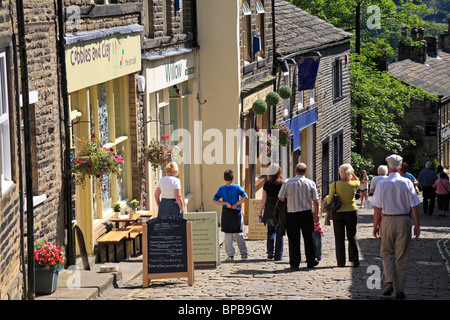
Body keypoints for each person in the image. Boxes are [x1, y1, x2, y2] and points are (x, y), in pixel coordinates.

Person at [372, 154, 421, 300]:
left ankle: (388, 281)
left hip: (387, 220)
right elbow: (414, 206)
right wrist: (417, 225)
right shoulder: (407, 183)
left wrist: (376, 225)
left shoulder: (382, 183)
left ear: (388, 167)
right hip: (404, 219)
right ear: (400, 167)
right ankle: (400, 289)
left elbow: (377, 207)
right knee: (402, 255)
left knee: (386, 253)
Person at [278, 163, 319, 270]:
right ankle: (310, 261)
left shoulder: (287, 182)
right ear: (305, 172)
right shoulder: (310, 183)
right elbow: (316, 200)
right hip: (306, 214)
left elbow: (281, 197)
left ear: (295, 171)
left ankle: (295, 263)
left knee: (293, 239)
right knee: (308, 238)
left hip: (292, 214)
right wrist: (316, 214)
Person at [327, 163, 360, 268]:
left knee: (339, 237)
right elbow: (358, 181)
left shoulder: (335, 185)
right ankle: (355, 260)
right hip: (351, 211)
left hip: (338, 212)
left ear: (340, 173)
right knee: (351, 236)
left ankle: (341, 262)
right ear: (350, 173)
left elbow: (329, 200)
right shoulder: (354, 184)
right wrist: (353, 174)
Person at [213, 169, 248, 261]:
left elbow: (214, 200)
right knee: (239, 233)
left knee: (228, 234)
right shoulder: (237, 188)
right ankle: (244, 254)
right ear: (233, 178)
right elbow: (245, 197)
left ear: (224, 179)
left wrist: (225, 203)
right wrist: (237, 203)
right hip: (236, 212)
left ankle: (230, 255)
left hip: (226, 212)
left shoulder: (221, 189)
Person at [258, 164, 284, 261]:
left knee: (270, 231)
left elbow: (263, 199)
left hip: (269, 210)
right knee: (279, 232)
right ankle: (278, 255)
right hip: (279, 210)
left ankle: (270, 252)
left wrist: (260, 211)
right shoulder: (282, 184)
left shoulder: (267, 184)